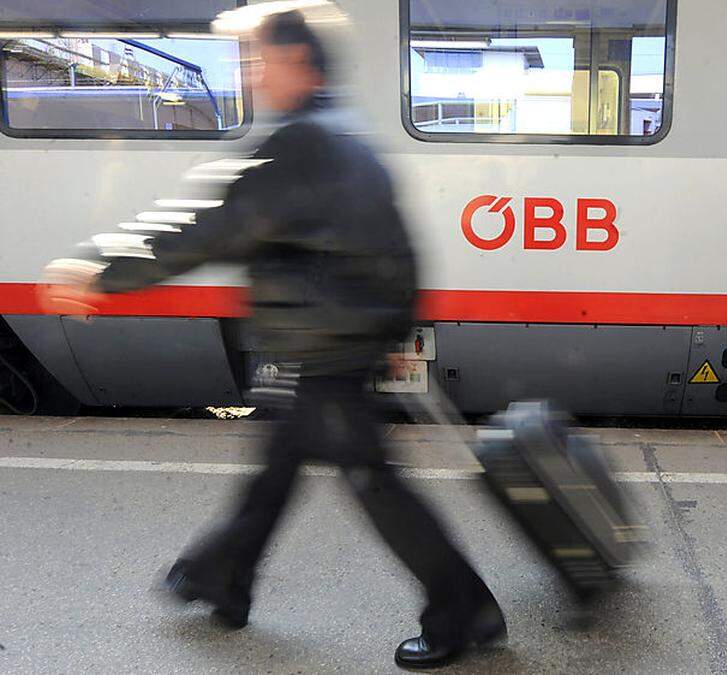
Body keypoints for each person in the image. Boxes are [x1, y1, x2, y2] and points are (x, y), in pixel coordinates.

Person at [39, 10, 504, 669]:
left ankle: (464, 611)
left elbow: (211, 229)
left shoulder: (300, 146)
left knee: (374, 482)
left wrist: (102, 274)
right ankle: (220, 576)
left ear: (302, 65)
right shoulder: (341, 137)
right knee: (276, 469)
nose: (251, 75)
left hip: (326, 347)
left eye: (262, 61)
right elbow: (397, 251)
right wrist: (393, 329)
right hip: (330, 339)